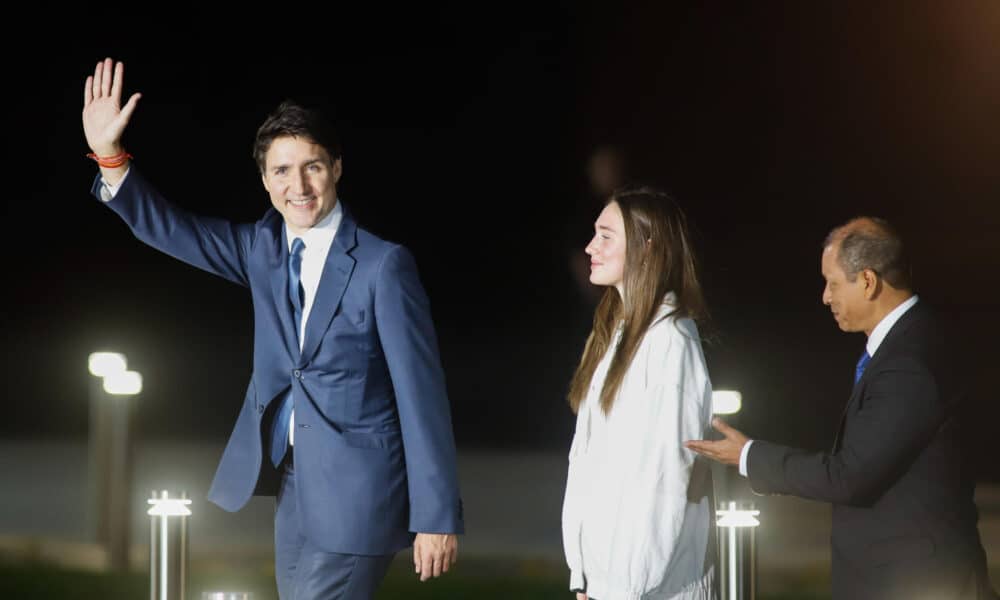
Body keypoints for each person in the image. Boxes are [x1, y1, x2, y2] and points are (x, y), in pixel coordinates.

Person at [81, 58, 463, 600]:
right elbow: (171, 229)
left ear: (336, 167)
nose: (298, 185)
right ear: (264, 180)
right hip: (292, 489)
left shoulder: (384, 265)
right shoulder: (263, 248)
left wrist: (437, 514)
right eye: (281, 171)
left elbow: (422, 397)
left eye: (312, 166)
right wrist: (110, 159)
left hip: (359, 496)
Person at [686, 217, 996, 599]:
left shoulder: (909, 363)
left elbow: (850, 476)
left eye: (833, 283)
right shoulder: (908, 343)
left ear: (867, 281)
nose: (825, 297)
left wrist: (749, 455)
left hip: (916, 582)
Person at [561, 186, 719, 600]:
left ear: (647, 247)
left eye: (606, 235)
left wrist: (624, 586)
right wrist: (585, 576)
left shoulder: (670, 341)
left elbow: (665, 473)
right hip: (610, 582)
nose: (591, 246)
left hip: (646, 587)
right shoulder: (617, 333)